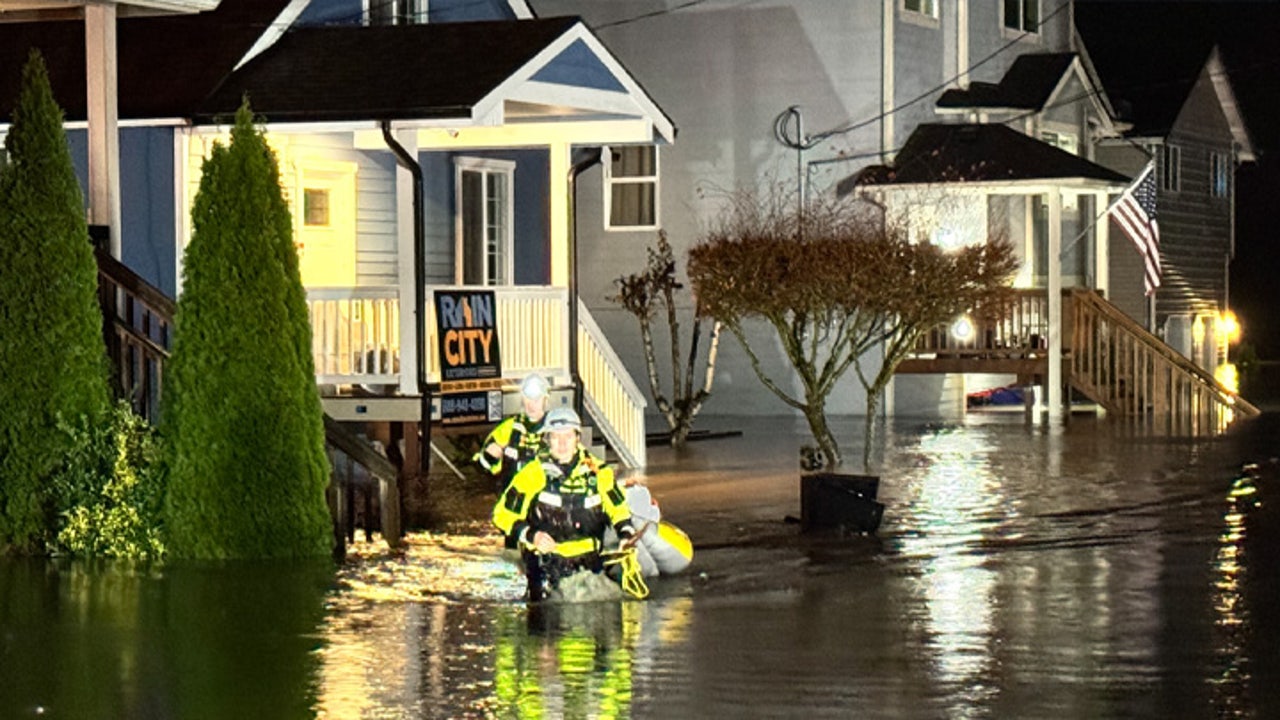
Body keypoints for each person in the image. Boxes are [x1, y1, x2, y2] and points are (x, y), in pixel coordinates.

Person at [492, 407, 636, 601]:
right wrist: (532, 536)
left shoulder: (599, 472)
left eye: (567, 436)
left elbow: (619, 509)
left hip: (590, 564)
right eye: (555, 437)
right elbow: (501, 515)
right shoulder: (532, 474)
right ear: (547, 439)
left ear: (578, 438)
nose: (562, 443)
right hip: (545, 564)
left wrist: (626, 535)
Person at [475, 373, 551, 493]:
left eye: (537, 399)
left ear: (546, 400)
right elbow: (482, 465)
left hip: (544, 498)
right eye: (527, 399)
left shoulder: (557, 429)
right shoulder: (510, 427)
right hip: (513, 497)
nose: (531, 404)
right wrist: (490, 456)